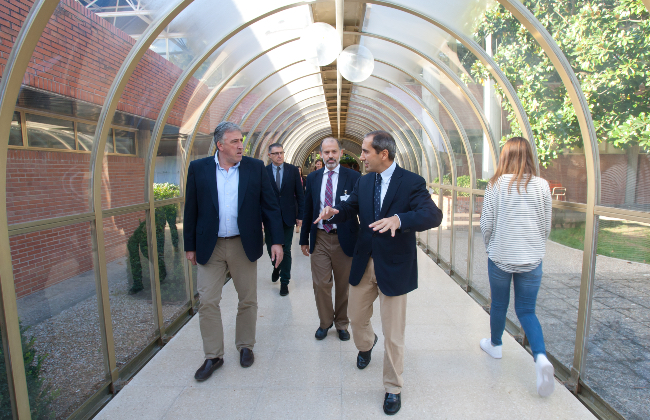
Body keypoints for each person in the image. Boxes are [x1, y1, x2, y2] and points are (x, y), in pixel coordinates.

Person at [315, 130, 442, 415]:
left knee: (394, 334)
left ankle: (393, 388)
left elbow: (433, 215)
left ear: (383, 154)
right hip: (364, 261)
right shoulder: (364, 180)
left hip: (395, 266)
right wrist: (335, 211)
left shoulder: (411, 182)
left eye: (365, 151)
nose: (360, 156)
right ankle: (367, 343)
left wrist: (400, 219)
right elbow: (352, 209)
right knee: (357, 319)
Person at [184, 121, 284, 382]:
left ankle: (245, 346)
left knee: (248, 298)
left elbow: (270, 206)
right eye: (235, 141)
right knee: (207, 301)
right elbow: (191, 209)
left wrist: (276, 241)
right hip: (210, 245)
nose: (241, 146)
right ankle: (213, 355)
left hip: (243, 243)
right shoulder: (198, 169)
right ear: (220, 145)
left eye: (242, 141)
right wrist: (189, 246)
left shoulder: (255, 168)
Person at [479, 137, 554, 397]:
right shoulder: (542, 186)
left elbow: (486, 223)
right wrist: (536, 247)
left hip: (501, 255)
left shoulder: (496, 185)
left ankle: (496, 344)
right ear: (529, 156)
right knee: (526, 310)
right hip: (532, 258)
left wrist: (490, 246)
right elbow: (546, 225)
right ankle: (541, 357)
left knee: (499, 304)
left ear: (505, 157)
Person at [300, 137, 360, 341]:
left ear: (341, 153)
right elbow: (308, 210)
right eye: (326, 152)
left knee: (343, 285)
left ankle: (342, 324)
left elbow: (357, 208)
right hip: (320, 237)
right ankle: (325, 322)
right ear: (321, 155)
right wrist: (303, 239)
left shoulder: (353, 177)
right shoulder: (313, 178)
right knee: (321, 284)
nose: (330, 156)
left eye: (334, 151)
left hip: (345, 236)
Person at [266, 143, 305, 296]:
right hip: (270, 217)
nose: (279, 156)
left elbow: (300, 194)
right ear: (269, 155)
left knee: (286, 249)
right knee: (272, 248)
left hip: (288, 216)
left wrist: (300, 215)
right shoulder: (264, 171)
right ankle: (276, 267)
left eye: (281, 152)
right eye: (275, 153)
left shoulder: (293, 170)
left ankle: (284, 282)